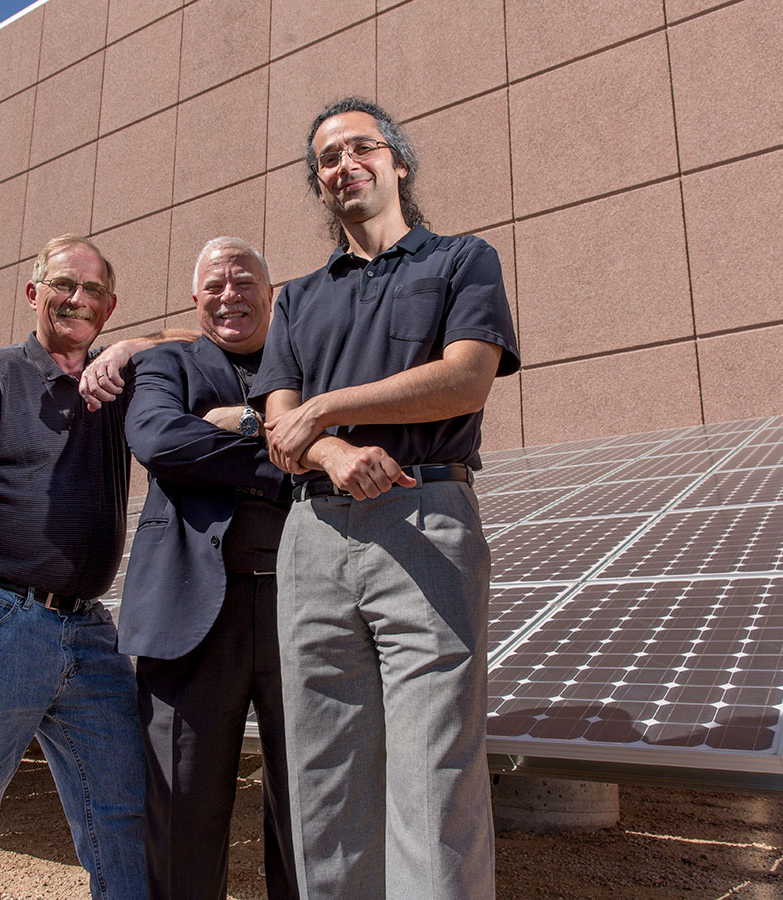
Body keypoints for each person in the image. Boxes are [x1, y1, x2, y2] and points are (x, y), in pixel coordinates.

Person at [252, 98, 521, 899]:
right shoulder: (297, 300)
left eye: (359, 147)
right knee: (324, 773)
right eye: (327, 158)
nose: (343, 165)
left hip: (426, 523)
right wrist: (330, 452)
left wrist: (331, 410)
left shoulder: (461, 261)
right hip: (313, 542)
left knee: (435, 770)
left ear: (397, 162)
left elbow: (467, 377)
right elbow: (278, 420)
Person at [0, 233, 183, 900]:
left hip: (89, 634)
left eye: (92, 291)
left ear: (108, 309)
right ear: (34, 293)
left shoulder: (120, 386)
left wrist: (129, 350)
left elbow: (204, 339)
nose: (76, 299)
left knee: (124, 811)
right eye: (63, 284)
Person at [118, 237, 298, 899]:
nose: (230, 295)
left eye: (244, 281)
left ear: (270, 292)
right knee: (181, 814)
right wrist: (285, 445)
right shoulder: (167, 363)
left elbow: (346, 440)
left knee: (309, 807)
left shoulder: (306, 364)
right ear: (196, 301)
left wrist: (240, 424)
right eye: (215, 286)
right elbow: (160, 438)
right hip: (187, 620)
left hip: (303, 610)